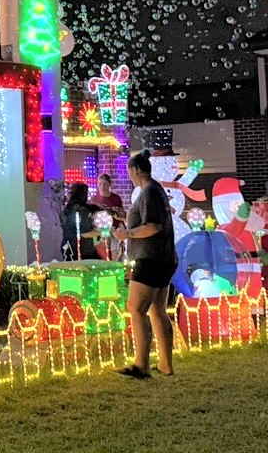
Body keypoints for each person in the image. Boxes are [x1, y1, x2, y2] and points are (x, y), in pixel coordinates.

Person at [112, 150, 177, 378]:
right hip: (165, 258)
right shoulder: (156, 190)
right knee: (157, 310)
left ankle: (141, 364)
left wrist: (126, 234)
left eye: (129, 170)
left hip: (150, 258)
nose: (128, 175)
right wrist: (125, 219)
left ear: (136, 170)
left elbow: (152, 226)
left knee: (135, 308)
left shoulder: (148, 191)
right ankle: (165, 364)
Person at [61, 182, 101, 261]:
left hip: (68, 247)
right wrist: (103, 232)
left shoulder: (66, 210)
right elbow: (84, 233)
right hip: (83, 250)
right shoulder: (82, 211)